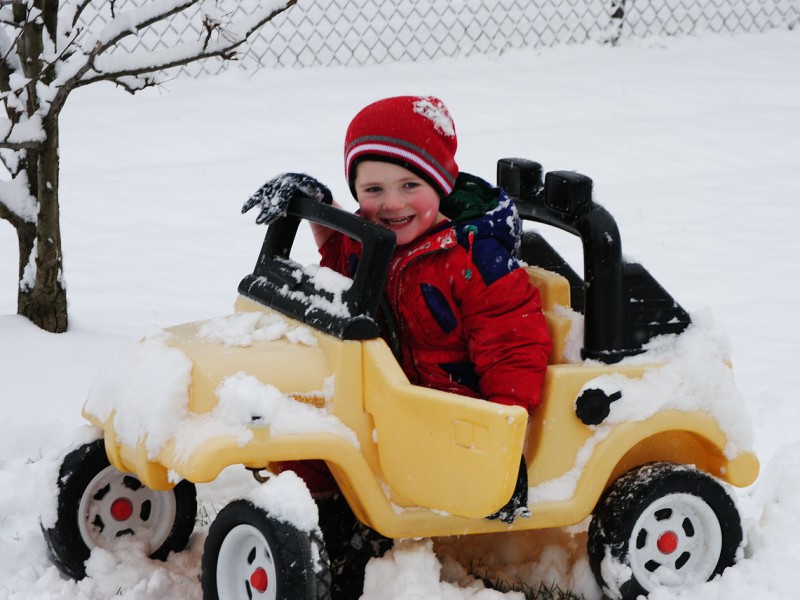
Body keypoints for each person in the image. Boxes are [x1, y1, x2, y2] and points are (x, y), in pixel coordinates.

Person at [243, 96, 553, 596]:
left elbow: (512, 342)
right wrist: (320, 205)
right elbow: (345, 260)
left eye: (411, 185)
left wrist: (504, 434)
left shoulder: (474, 257)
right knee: (305, 438)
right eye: (373, 189)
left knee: (353, 457)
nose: (392, 203)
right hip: (389, 394)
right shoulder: (382, 237)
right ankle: (322, 523)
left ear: (441, 184)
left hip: (455, 413)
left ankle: (358, 544)